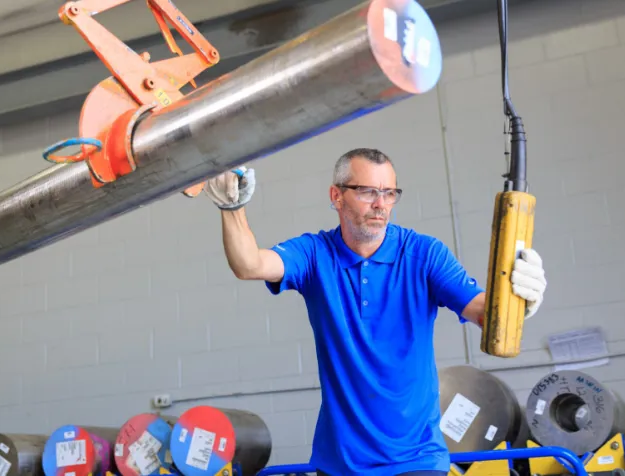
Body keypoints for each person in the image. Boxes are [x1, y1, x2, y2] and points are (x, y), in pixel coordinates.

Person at [203, 148, 547, 476]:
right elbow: (249, 265)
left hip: (417, 457)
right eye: (368, 192)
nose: (381, 204)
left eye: (389, 192)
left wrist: (521, 300)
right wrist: (232, 206)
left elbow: (484, 313)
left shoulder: (423, 253)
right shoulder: (313, 254)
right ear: (336, 196)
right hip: (340, 462)